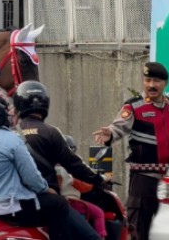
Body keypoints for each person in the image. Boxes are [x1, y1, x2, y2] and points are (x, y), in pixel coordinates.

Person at [0, 93, 73, 239]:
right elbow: (31, 177)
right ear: (6, 114)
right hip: (5, 207)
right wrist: (46, 188)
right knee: (59, 204)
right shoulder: (12, 139)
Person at [92, 62, 169, 240]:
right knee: (139, 227)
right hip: (144, 179)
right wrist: (109, 133)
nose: (151, 85)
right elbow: (119, 127)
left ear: (165, 84)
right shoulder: (134, 107)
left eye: (156, 81)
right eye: (147, 80)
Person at [14, 80, 104, 240]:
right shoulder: (50, 132)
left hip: (15, 203)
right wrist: (97, 178)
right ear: (45, 103)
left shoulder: (11, 134)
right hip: (47, 201)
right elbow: (74, 164)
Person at [56, 135, 107, 240]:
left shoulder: (53, 165)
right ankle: (101, 237)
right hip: (72, 203)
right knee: (98, 213)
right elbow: (85, 186)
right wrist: (95, 182)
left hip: (58, 203)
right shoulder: (69, 168)